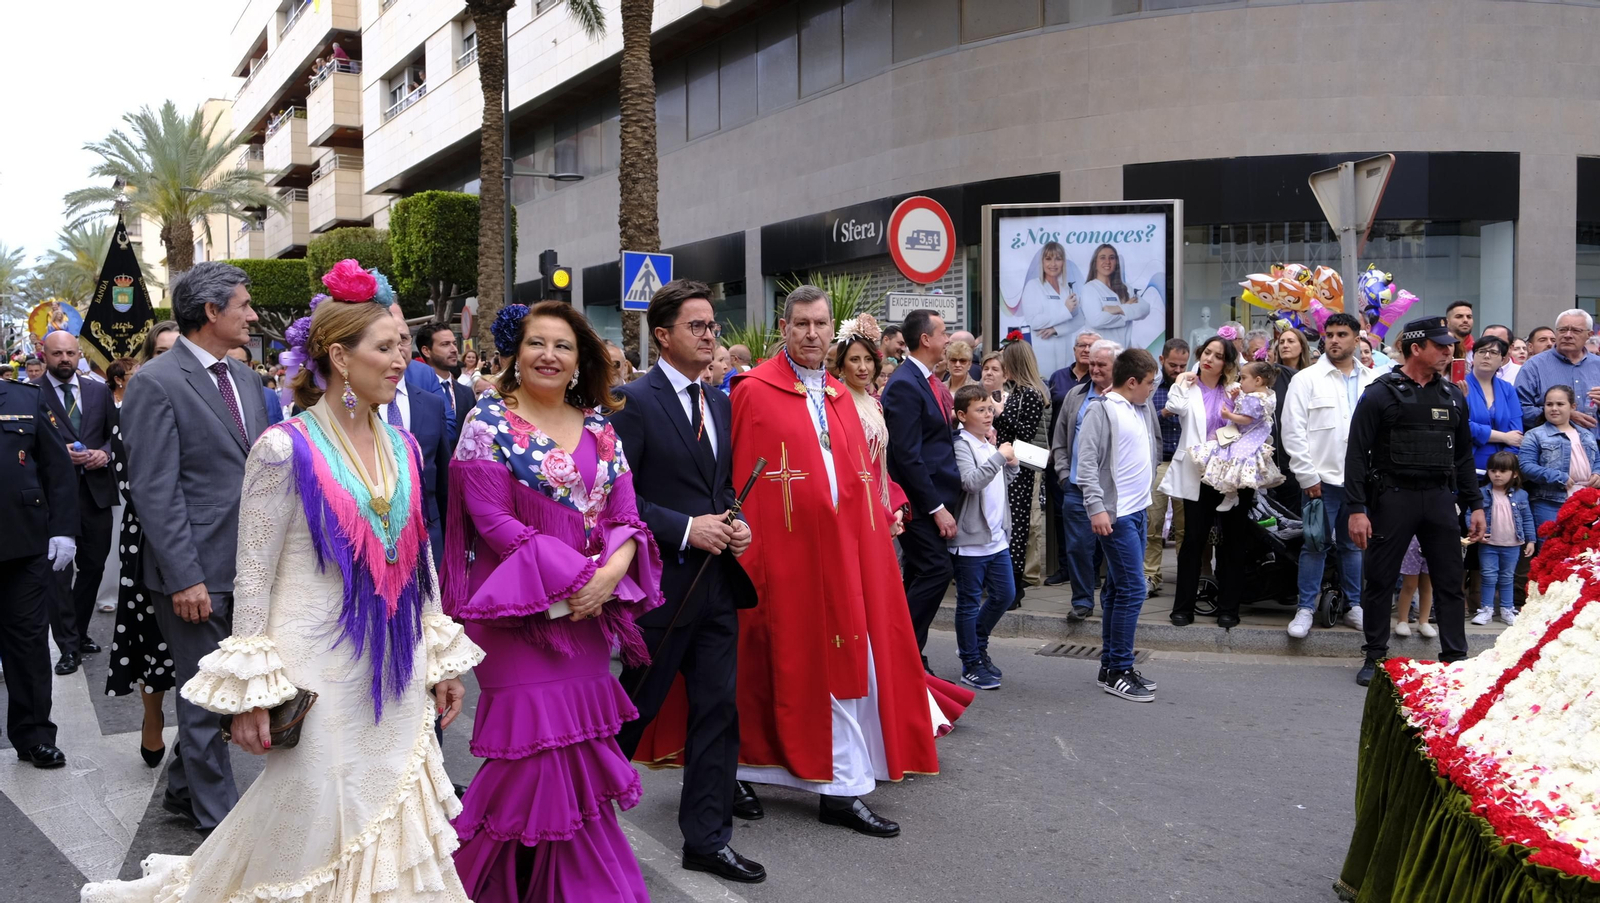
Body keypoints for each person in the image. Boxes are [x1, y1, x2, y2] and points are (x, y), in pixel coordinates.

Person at [84, 259, 484, 903]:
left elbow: (419, 562)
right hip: (314, 668)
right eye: (385, 348)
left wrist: (440, 660)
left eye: (402, 347)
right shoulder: (282, 447)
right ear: (339, 356)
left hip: (394, 665)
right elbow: (253, 575)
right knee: (315, 812)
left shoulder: (405, 447)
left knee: (392, 798)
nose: (399, 361)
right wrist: (252, 694)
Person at [444, 301, 662, 902]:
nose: (549, 355)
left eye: (562, 346)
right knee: (529, 767)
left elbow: (627, 517)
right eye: (537, 343)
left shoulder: (600, 427)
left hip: (589, 623)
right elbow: (493, 522)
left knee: (580, 768)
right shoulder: (486, 423)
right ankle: (468, 886)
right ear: (516, 352)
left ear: (579, 359)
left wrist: (609, 576)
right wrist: (576, 583)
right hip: (522, 621)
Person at [727, 287, 961, 839]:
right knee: (768, 664)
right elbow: (738, 478)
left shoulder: (839, 394)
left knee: (842, 665)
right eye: (801, 324)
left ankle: (840, 784)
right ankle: (741, 772)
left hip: (843, 556)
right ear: (784, 328)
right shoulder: (753, 391)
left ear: (832, 330)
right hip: (778, 556)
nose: (811, 334)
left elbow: (858, 478)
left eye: (820, 324)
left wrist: (877, 529)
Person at [608, 280, 764, 884]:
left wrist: (736, 522)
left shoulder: (720, 401)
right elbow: (616, 501)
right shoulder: (632, 402)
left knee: (718, 713)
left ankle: (707, 839)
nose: (709, 335)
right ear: (663, 335)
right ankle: (576, 813)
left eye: (712, 327)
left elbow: (720, 490)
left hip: (717, 586)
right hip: (660, 592)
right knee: (633, 711)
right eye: (696, 326)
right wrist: (684, 528)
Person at [121, 261, 270, 832]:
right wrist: (185, 577)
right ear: (211, 312)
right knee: (206, 698)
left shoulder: (249, 379)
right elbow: (155, 492)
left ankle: (184, 790)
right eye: (244, 306)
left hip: (249, 566)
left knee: (226, 689)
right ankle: (221, 824)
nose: (253, 315)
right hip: (194, 574)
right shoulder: (155, 382)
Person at [1346, 317, 1486, 687]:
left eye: (1450, 345)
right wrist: (1357, 509)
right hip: (1393, 496)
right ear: (1415, 348)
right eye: (1440, 345)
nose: (1448, 351)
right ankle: (1375, 655)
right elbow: (1357, 455)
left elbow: (1464, 456)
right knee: (1379, 579)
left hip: (1440, 497)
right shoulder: (1380, 393)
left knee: (1449, 581)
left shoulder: (1453, 395)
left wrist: (1475, 505)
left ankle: (1455, 659)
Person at [106, 321, 182, 768]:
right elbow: (131, 482)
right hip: (147, 538)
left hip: (205, 536)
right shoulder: (134, 406)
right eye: (162, 351)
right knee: (149, 635)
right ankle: (152, 718)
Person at [1075, 348, 1162, 702]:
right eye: (1150, 382)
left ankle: (1110, 664)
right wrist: (1096, 508)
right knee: (1132, 589)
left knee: (1116, 589)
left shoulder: (1140, 406)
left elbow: (1145, 445)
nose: (1154, 388)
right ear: (1131, 382)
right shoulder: (1103, 409)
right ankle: (1120, 670)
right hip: (1116, 514)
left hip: (1136, 510)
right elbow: (1086, 464)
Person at [1280, 313, 1374, 638]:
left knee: (1352, 545)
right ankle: (1305, 608)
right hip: (1320, 481)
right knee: (1314, 545)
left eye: (1342, 334)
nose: (1334, 340)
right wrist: (1307, 476)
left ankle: (1354, 606)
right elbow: (1292, 432)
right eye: (1330, 334)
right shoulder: (1306, 379)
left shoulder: (1371, 380)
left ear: (1357, 339)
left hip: (1359, 483)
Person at [0, 374, 77, 768]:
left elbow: (57, 470)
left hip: (22, 546)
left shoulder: (23, 397)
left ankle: (33, 735)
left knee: (28, 643)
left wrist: (63, 530)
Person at [34, 330, 116, 676]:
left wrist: (104, 454)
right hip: (54, 500)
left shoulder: (99, 390)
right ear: (44, 355)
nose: (64, 359)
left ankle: (80, 633)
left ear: (79, 354)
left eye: (70, 353)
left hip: (96, 494)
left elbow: (116, 435)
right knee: (58, 575)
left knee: (93, 568)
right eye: (57, 354)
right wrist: (56, 455)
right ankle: (67, 646)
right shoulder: (31, 394)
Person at [882, 307, 961, 661]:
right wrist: (937, 508)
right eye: (944, 333)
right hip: (917, 504)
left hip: (933, 497)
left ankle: (912, 655)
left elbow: (935, 438)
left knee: (918, 574)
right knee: (935, 570)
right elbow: (908, 457)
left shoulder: (926, 380)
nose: (948, 340)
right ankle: (902, 651)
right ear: (926, 339)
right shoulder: (903, 385)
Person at [1162, 335, 1254, 629]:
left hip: (1232, 474)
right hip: (1198, 473)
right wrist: (1180, 381)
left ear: (1226, 363)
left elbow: (1252, 424)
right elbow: (1173, 408)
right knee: (1192, 541)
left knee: (1233, 543)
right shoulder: (1187, 387)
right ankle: (1183, 607)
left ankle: (1229, 608)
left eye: (1216, 355)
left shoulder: (1235, 391)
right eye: (1206, 353)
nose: (1208, 358)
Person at [949, 384, 1017, 690]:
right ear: (963, 415)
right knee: (968, 602)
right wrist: (1001, 457)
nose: (988, 415)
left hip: (996, 538)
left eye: (990, 409)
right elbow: (971, 483)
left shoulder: (989, 444)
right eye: (981, 410)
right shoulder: (961, 445)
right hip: (971, 540)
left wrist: (1010, 464)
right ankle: (971, 662)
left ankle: (976, 643)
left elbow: (999, 483)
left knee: (1005, 595)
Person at [1051, 339, 1119, 620]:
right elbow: (1060, 441)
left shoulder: (1127, 400)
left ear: (1117, 366)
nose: (1094, 369)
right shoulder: (1076, 396)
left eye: (1101, 364)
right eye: (1091, 363)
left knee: (1116, 549)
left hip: (1115, 491)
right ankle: (1082, 601)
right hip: (1077, 488)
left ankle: (1113, 600)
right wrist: (1065, 476)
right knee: (1078, 548)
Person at [383, 306, 454, 563]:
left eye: (402, 339)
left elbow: (443, 480)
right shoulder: (356, 404)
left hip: (429, 538)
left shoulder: (432, 404)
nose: (398, 348)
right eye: (386, 342)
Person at [1043, 330, 1100, 587]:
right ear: (1074, 349)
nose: (1086, 350)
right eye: (1082, 345)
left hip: (1095, 467)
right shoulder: (1058, 377)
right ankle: (1065, 567)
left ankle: (1094, 572)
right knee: (1061, 517)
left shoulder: (1100, 381)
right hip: (1063, 461)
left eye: (1091, 347)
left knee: (1095, 519)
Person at [993, 341, 1049, 603]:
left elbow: (1025, 434)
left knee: (1015, 526)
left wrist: (997, 413)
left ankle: (1013, 587)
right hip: (1009, 465)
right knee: (1008, 524)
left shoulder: (1031, 393)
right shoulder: (1019, 391)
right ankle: (1009, 585)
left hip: (1019, 469)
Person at [1189, 361, 1285, 511]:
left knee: (1233, 457)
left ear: (1258, 380)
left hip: (1248, 433)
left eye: (1244, 378)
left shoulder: (1254, 398)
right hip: (1253, 433)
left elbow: (1247, 418)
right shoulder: (1267, 394)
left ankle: (1231, 495)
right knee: (1231, 457)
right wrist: (1235, 399)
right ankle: (1231, 494)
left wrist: (1229, 415)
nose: (1240, 382)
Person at [1518, 385, 1600, 532]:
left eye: (1560, 404)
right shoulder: (1534, 435)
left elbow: (1597, 460)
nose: (1554, 408)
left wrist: (1597, 473)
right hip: (1550, 502)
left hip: (1587, 501)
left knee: (1583, 551)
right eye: (1549, 404)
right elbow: (1526, 466)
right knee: (1551, 549)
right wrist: (1558, 477)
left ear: (1573, 407)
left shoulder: (1586, 434)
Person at [1144, 339, 1189, 598]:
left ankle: (1185, 574)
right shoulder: (1151, 388)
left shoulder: (1192, 387)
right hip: (1159, 461)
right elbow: (1142, 422)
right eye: (1173, 364)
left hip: (1185, 462)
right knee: (1153, 521)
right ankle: (1150, 575)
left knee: (1185, 526)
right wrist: (1164, 413)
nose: (1178, 369)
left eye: (1183, 365)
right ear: (1162, 361)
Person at [1516, 309, 1600, 440]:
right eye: (1562, 330)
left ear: (1589, 334)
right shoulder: (1534, 366)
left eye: (1576, 330)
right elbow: (1520, 410)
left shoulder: (1597, 365)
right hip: (1550, 447)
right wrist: (1564, 416)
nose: (1567, 335)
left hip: (1594, 446)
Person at [1473, 450, 1535, 627]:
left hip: (1512, 544)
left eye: (1503, 471)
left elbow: (1528, 518)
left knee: (1507, 577)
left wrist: (1531, 540)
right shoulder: (1482, 493)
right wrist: (1477, 533)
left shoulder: (1521, 495)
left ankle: (1507, 609)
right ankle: (1486, 610)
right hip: (1488, 544)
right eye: (1493, 471)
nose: (1497, 474)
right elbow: (1471, 514)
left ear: (1514, 473)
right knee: (1488, 576)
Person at [1016, 240, 1082, 376]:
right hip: (1043, 356)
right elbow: (1034, 321)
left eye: (1058, 259)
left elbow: (1080, 320)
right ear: (1042, 262)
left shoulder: (1067, 289)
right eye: (1048, 259)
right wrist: (1065, 310)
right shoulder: (1033, 287)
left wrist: (1056, 330)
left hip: (1066, 356)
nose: (1053, 264)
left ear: (1063, 262)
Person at [1465, 335, 1523, 470]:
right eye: (1481, 351)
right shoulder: (1460, 386)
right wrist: (1504, 437)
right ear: (1473, 357)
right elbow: (1463, 426)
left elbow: (1516, 434)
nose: (1486, 356)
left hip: (1502, 468)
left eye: (1493, 352)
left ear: (1502, 360)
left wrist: (1506, 465)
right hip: (1468, 464)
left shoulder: (1507, 389)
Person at [1078, 243, 1150, 349]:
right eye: (1102, 258)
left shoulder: (1125, 287)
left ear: (1116, 262)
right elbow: (1096, 320)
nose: (1107, 262)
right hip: (1101, 354)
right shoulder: (1090, 289)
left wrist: (1116, 309)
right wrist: (1127, 314)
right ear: (1095, 263)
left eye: (1112, 258)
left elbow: (1145, 309)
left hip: (1123, 354)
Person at [417, 323, 477, 429]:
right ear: (426, 351)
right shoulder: (416, 392)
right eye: (445, 344)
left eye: (454, 343)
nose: (454, 349)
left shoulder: (466, 393)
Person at [225, 347, 283, 426]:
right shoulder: (219, 396)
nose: (233, 366)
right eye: (228, 362)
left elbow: (279, 426)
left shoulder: (270, 395)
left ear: (250, 365)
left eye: (239, 362)